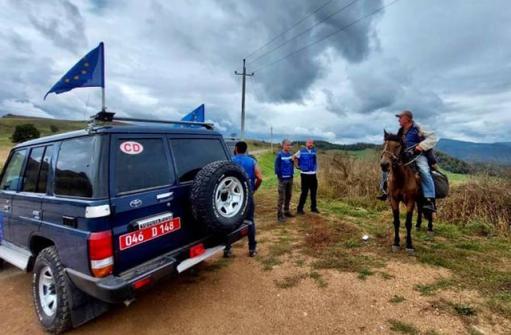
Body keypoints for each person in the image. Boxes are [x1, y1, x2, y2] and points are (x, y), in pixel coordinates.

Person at [377, 110, 438, 212]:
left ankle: (429, 200)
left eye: (400, 118)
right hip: (404, 155)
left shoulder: (418, 127)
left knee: (424, 171)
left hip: (418, 155)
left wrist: (421, 146)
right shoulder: (400, 131)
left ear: (407, 118)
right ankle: (385, 191)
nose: (398, 120)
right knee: (386, 166)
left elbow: (433, 137)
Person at [228, 141, 263, 257]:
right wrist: (253, 189)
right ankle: (252, 249)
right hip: (247, 195)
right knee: (250, 221)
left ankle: (227, 249)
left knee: (229, 221)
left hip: (232, 197)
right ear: (246, 149)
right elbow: (259, 177)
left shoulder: (230, 160)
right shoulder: (252, 161)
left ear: (236, 149)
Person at [293, 138, 319, 214]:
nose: (310, 144)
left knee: (313, 192)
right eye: (309, 143)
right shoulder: (301, 151)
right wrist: (297, 166)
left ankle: (313, 208)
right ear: (306, 143)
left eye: (312, 143)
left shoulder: (314, 151)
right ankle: (299, 209)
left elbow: (314, 160)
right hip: (304, 175)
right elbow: (294, 157)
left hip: (313, 174)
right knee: (304, 192)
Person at [275, 139, 294, 222]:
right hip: (282, 179)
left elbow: (291, 164)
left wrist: (293, 161)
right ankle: (279, 215)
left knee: (289, 195)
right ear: (283, 145)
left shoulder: (290, 154)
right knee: (281, 197)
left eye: (290, 145)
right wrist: (280, 176)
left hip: (290, 178)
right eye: (287, 145)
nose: (288, 146)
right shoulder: (279, 155)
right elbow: (276, 167)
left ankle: (286, 211)